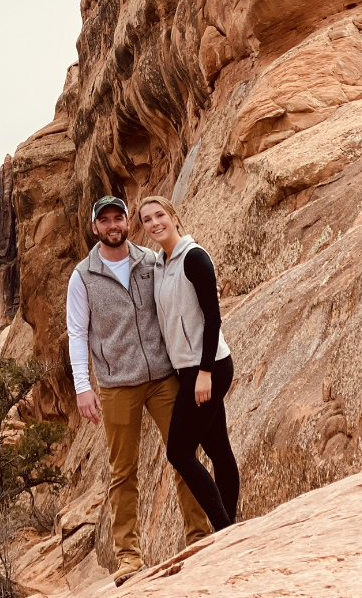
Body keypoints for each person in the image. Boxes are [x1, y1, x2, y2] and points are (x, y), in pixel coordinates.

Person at [66, 195, 213, 587]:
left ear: (128, 222)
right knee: (122, 472)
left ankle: (199, 536)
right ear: (95, 227)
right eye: (105, 220)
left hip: (163, 376)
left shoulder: (151, 262)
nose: (113, 225)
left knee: (183, 456)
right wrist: (84, 387)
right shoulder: (83, 276)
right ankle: (129, 557)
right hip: (116, 387)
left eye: (119, 218)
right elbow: (77, 333)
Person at [137, 195, 239, 533]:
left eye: (159, 215)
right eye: (147, 220)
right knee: (218, 449)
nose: (155, 223)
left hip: (208, 367)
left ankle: (224, 529)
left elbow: (213, 317)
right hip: (190, 369)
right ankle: (232, 528)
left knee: (178, 452)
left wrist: (205, 373)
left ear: (174, 216)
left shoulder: (193, 258)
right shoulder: (162, 265)